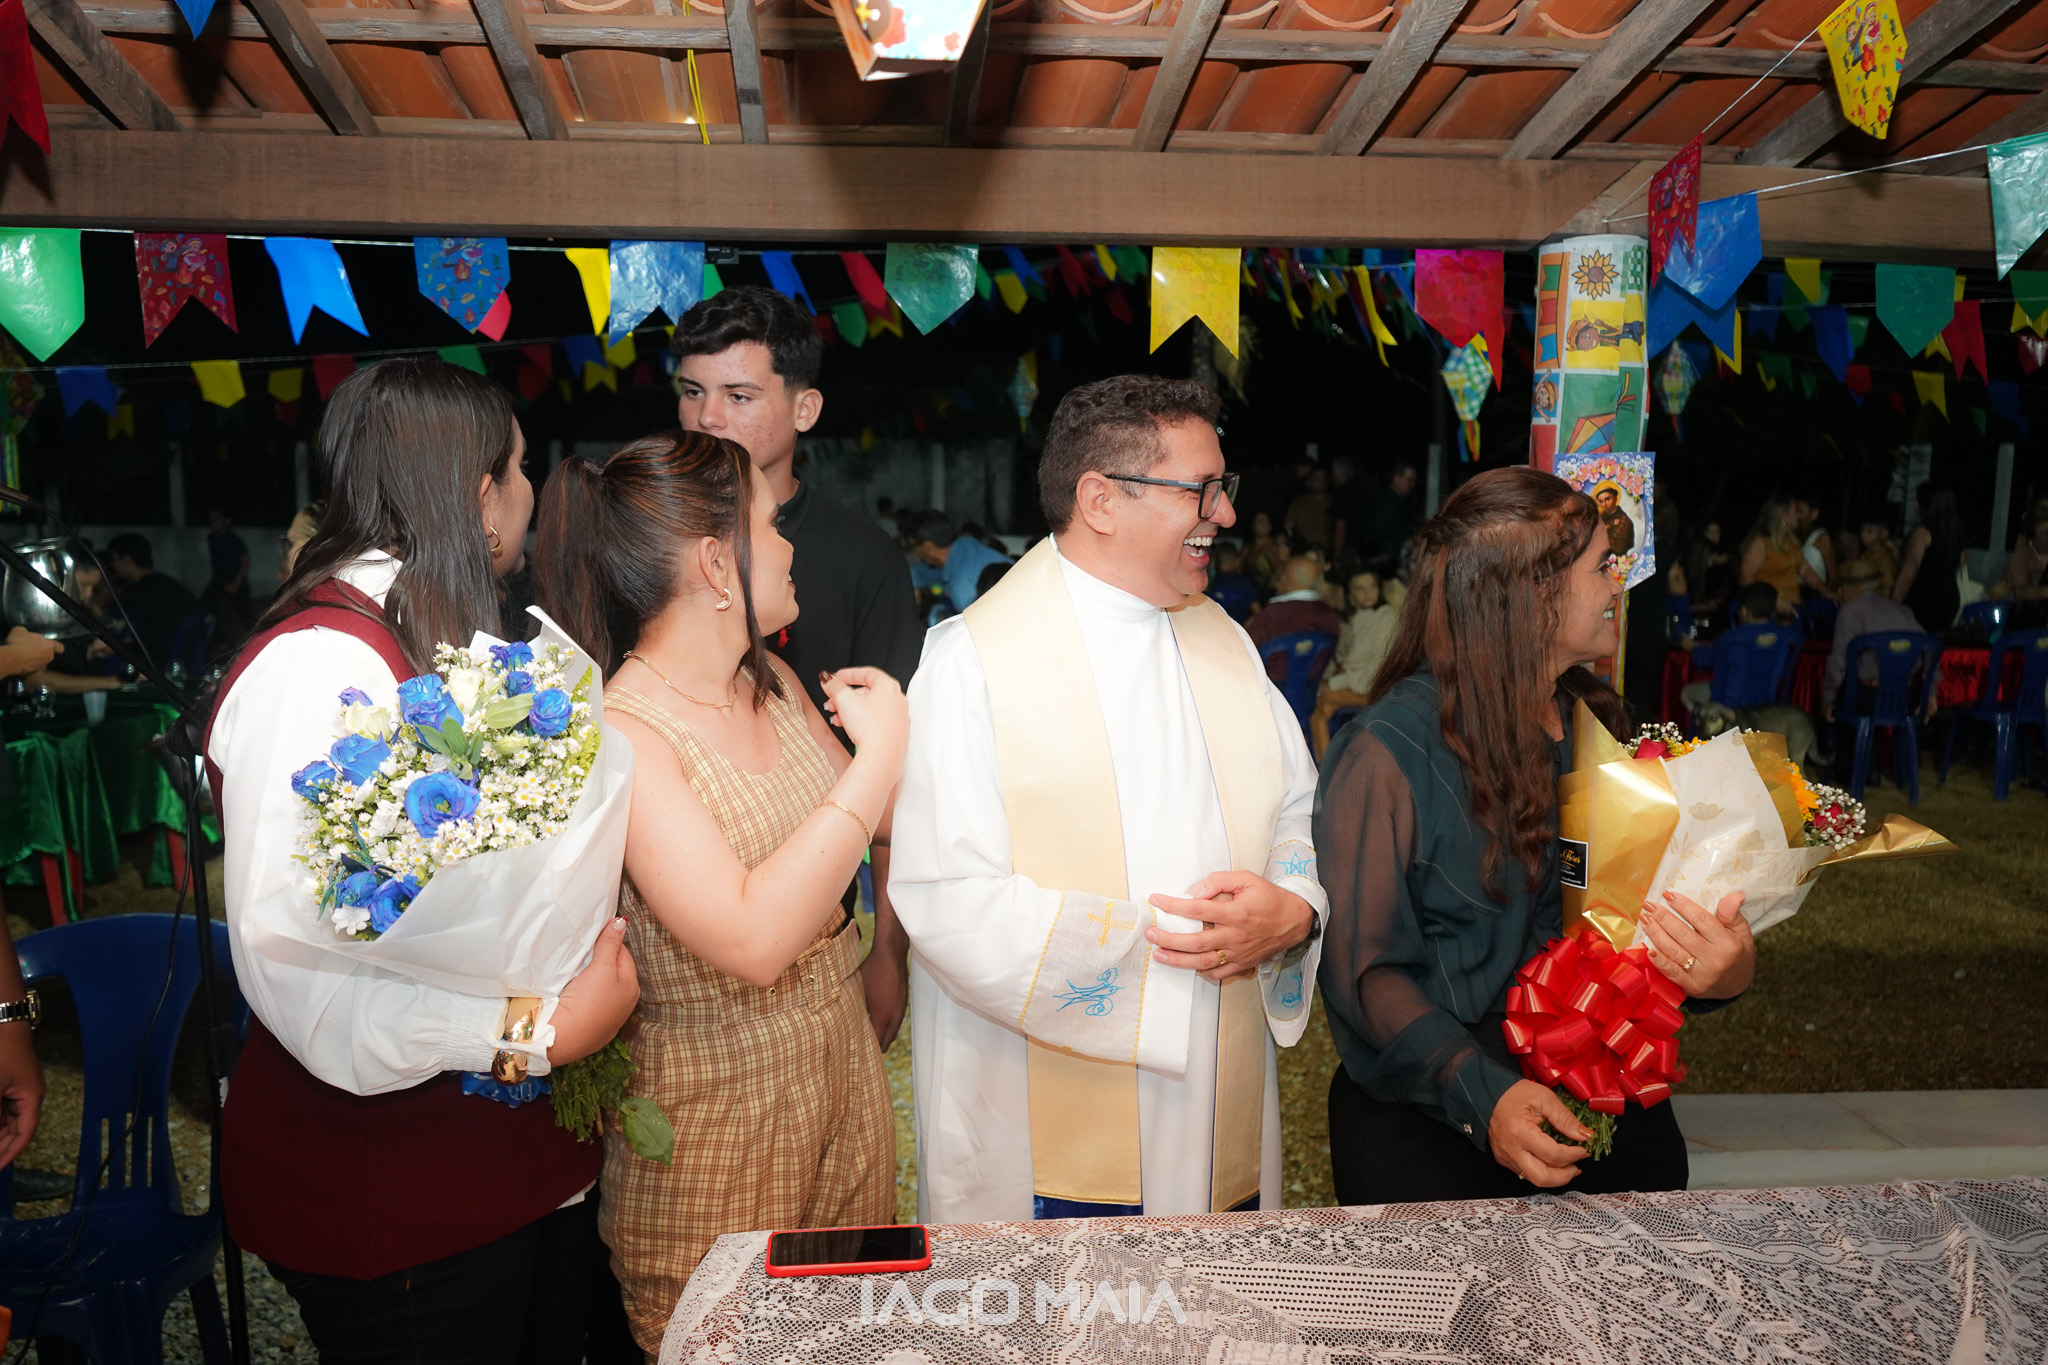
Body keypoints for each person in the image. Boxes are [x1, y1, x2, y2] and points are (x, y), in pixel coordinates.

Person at [205, 359, 642, 1361]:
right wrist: (534, 1034)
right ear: (480, 495)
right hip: (391, 1202)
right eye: (521, 469)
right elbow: (304, 976)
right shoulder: (323, 663)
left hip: (496, 1178)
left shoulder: (435, 632)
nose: (530, 493)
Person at [892, 374, 1327, 1224]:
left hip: (1220, 1076)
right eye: (1202, 489)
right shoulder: (973, 662)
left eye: (1224, 486)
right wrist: (1169, 965)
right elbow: (948, 897)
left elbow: (1291, 811)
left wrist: (1293, 909)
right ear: (1100, 500)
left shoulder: (1224, 639)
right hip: (1046, 1105)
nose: (1226, 513)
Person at [534, 430, 903, 1353]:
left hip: (842, 1082)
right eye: (771, 525)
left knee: (858, 1334)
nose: (788, 545)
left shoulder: (769, 680)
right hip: (719, 1128)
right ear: (714, 563)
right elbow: (750, 936)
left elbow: (880, 824)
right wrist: (881, 757)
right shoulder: (625, 733)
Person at [1315, 466, 1756, 1205]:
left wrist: (1718, 970)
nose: (1619, 584)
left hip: (1607, 1096)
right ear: (1530, 592)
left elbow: (1632, 921)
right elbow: (1364, 974)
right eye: (1602, 566)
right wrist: (1480, 1093)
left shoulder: (1599, 724)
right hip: (1437, 1118)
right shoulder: (1388, 753)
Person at [672, 284, 923, 1049]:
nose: (708, 417)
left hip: (821, 933)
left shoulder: (863, 560)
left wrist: (887, 951)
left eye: (739, 395)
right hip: (665, 932)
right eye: (691, 391)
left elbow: (894, 778)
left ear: (804, 408)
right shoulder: (642, 546)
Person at [1823, 559, 1932, 723]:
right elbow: (1930, 648)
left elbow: (1837, 662)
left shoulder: (1849, 612)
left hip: (1867, 699)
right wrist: (1930, 694)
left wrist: (1828, 698)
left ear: (1857, 587)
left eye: (1843, 587)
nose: (1840, 593)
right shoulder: (1903, 611)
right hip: (1906, 698)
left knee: (1831, 717)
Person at [1309, 571, 1398, 759]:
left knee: (1319, 700)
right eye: (1360, 589)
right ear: (1350, 594)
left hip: (1376, 687)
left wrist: (1333, 683)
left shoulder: (1388, 617)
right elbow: (1339, 658)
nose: (1368, 593)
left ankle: (1326, 766)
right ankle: (1325, 765)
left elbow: (1376, 668)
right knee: (1318, 708)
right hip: (1353, 684)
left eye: (1372, 586)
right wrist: (1328, 679)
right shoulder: (1349, 619)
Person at [104, 533, 200, 668]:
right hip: (185, 659)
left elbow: (113, 625)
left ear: (127, 560)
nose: (112, 566)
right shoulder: (170, 584)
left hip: (155, 663)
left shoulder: (137, 593)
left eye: (113, 560)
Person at [902, 508, 1012, 612]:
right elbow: (918, 574)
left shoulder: (961, 586)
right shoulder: (966, 546)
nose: (915, 553)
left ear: (927, 547)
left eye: (914, 547)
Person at [1892, 482, 1964, 634]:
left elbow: (1909, 573)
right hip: (1949, 598)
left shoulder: (1922, 533)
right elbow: (1961, 561)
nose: (1915, 504)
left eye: (1919, 500)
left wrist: (1893, 605)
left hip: (1925, 599)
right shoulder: (1955, 534)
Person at [1738, 497, 1819, 615]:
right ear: (1783, 516)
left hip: (1794, 608)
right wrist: (1774, 601)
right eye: (1795, 512)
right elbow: (1745, 580)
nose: (1799, 516)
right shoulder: (1761, 543)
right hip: (1770, 611)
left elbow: (1806, 570)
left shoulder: (1793, 542)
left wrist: (1826, 590)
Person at [1247, 555, 1342, 654]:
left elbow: (1247, 648)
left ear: (1287, 578)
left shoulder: (1272, 614)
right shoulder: (1330, 616)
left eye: (1282, 574)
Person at [1344, 462, 1418, 575]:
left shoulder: (1399, 503)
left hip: (1388, 563)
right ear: (1396, 478)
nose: (1412, 485)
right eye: (1409, 480)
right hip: (1381, 564)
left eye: (1413, 481)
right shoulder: (1385, 503)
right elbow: (1377, 535)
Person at [1988, 506, 2048, 628]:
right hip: (2029, 621)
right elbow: (2019, 592)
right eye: (2045, 532)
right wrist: (2040, 589)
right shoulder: (2022, 556)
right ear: (2032, 537)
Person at [205, 507, 253, 637]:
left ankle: (258, 640)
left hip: (236, 582)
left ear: (226, 521)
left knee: (246, 616)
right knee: (205, 608)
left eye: (217, 518)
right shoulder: (211, 538)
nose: (213, 522)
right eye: (211, 519)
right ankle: (216, 640)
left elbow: (246, 562)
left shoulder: (233, 540)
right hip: (218, 582)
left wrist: (236, 583)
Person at [1227, 509, 1288, 588]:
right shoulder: (1248, 548)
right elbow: (1237, 569)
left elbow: (1281, 570)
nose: (1264, 524)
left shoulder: (1274, 546)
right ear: (1252, 525)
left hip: (1267, 590)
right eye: (1260, 521)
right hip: (1247, 589)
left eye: (1267, 521)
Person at [1285, 466, 1332, 551]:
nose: (1321, 481)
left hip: (1326, 549)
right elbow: (1289, 526)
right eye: (1317, 478)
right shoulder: (1299, 502)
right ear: (1308, 482)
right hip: (1303, 549)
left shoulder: (1333, 501)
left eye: (1323, 477)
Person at [1592, 483, 1635, 559]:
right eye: (1601, 501)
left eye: (1607, 499)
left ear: (1615, 498)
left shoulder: (1625, 521)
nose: (1604, 504)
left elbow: (1619, 549)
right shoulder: (1598, 518)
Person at [1860, 519, 1901, 594]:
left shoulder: (1885, 558)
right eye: (1862, 530)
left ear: (1884, 533)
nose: (1864, 534)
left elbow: (1887, 587)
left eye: (1869, 531)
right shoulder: (1865, 555)